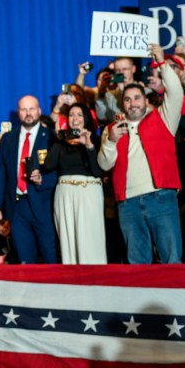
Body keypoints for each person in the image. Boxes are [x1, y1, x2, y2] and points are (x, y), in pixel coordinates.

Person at [98, 44, 184, 264]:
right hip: (128, 205)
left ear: (146, 101)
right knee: (137, 266)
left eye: (137, 98)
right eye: (127, 100)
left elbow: (176, 92)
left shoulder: (163, 119)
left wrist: (162, 64)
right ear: (122, 104)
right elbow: (105, 164)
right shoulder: (113, 129)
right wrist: (111, 141)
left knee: (171, 259)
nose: (132, 103)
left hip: (161, 197)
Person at [0, 95, 58, 264]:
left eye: (32, 109)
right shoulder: (7, 139)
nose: (28, 113)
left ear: (39, 111)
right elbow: (1, 174)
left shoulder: (51, 137)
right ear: (18, 113)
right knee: (25, 262)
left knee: (51, 259)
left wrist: (43, 179)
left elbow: (59, 171)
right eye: (23, 109)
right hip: (17, 208)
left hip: (44, 206)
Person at [41, 102, 105, 263]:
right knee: (68, 240)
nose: (75, 119)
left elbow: (98, 171)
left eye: (79, 115)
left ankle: (95, 279)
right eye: (71, 115)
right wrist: (59, 138)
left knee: (90, 240)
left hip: (89, 193)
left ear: (86, 118)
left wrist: (89, 146)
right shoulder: (61, 142)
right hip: (65, 194)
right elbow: (48, 165)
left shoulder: (95, 140)